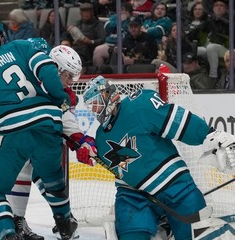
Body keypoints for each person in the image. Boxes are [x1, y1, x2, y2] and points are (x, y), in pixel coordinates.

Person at [0, 14, 86, 240]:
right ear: (2, 35)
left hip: (13, 131)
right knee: (53, 182)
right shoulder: (20, 46)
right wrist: (59, 97)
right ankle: (65, 222)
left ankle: (9, 233)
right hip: (49, 126)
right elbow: (47, 70)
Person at [82, 75, 235, 239]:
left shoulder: (139, 105)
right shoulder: (100, 138)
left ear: (108, 94)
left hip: (176, 187)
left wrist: (210, 135)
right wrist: (87, 146)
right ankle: (159, 225)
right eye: (91, 105)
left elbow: (178, 121)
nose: (94, 109)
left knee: (197, 236)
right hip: (134, 197)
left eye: (96, 102)